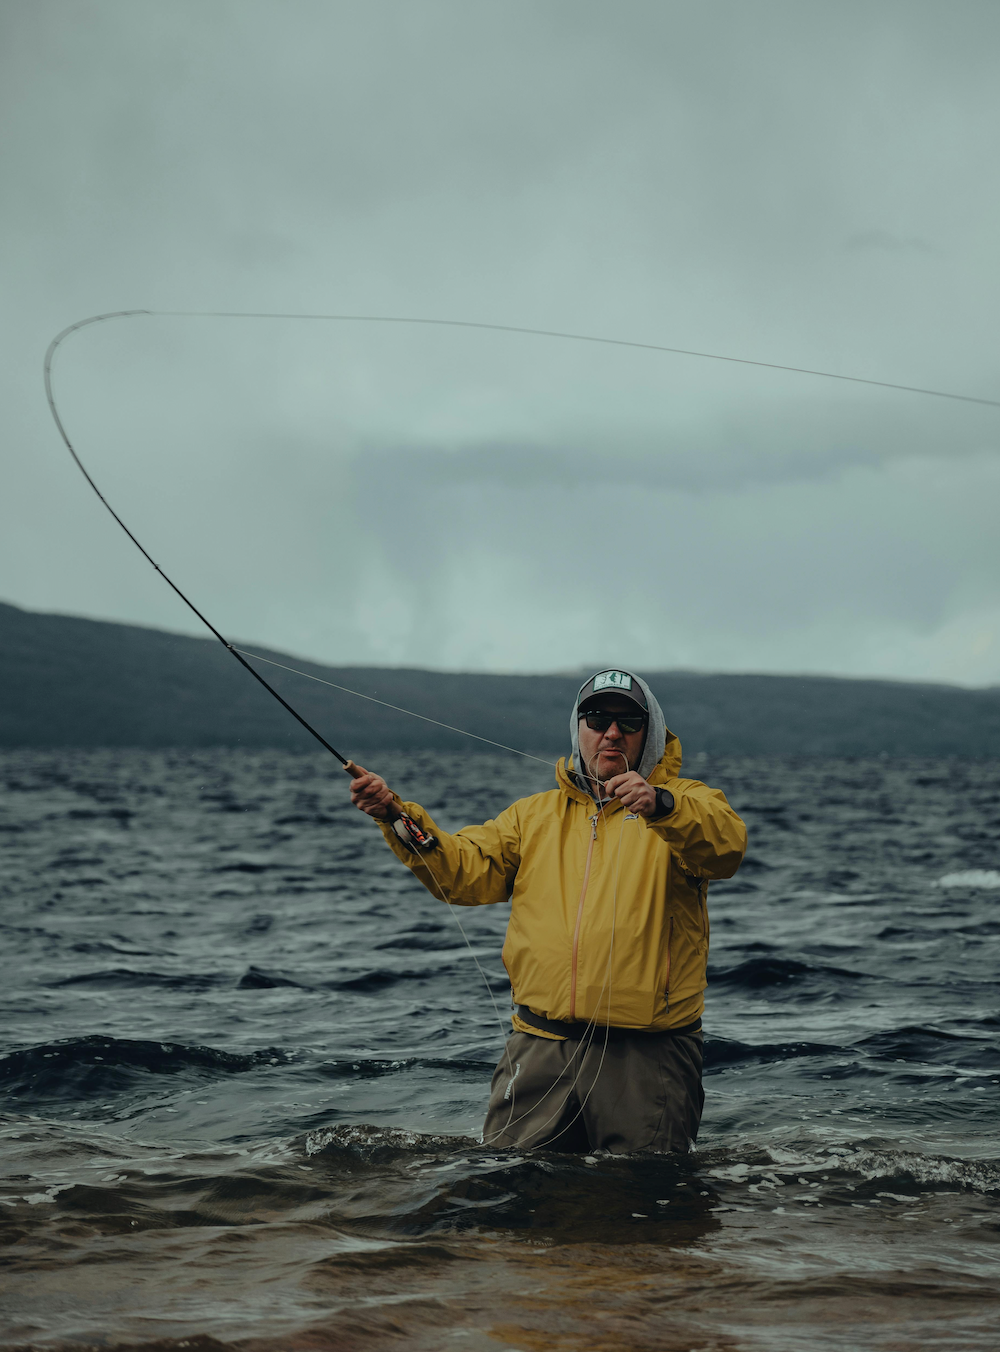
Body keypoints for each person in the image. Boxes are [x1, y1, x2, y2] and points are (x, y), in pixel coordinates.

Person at [349, 668, 747, 1154]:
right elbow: (461, 874)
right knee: (514, 1205)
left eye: (629, 721)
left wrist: (661, 805)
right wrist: (394, 815)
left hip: (648, 1055)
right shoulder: (532, 815)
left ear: (653, 733)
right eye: (597, 718)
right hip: (539, 1047)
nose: (612, 732)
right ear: (579, 729)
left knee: (648, 1212)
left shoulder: (689, 803)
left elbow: (725, 848)